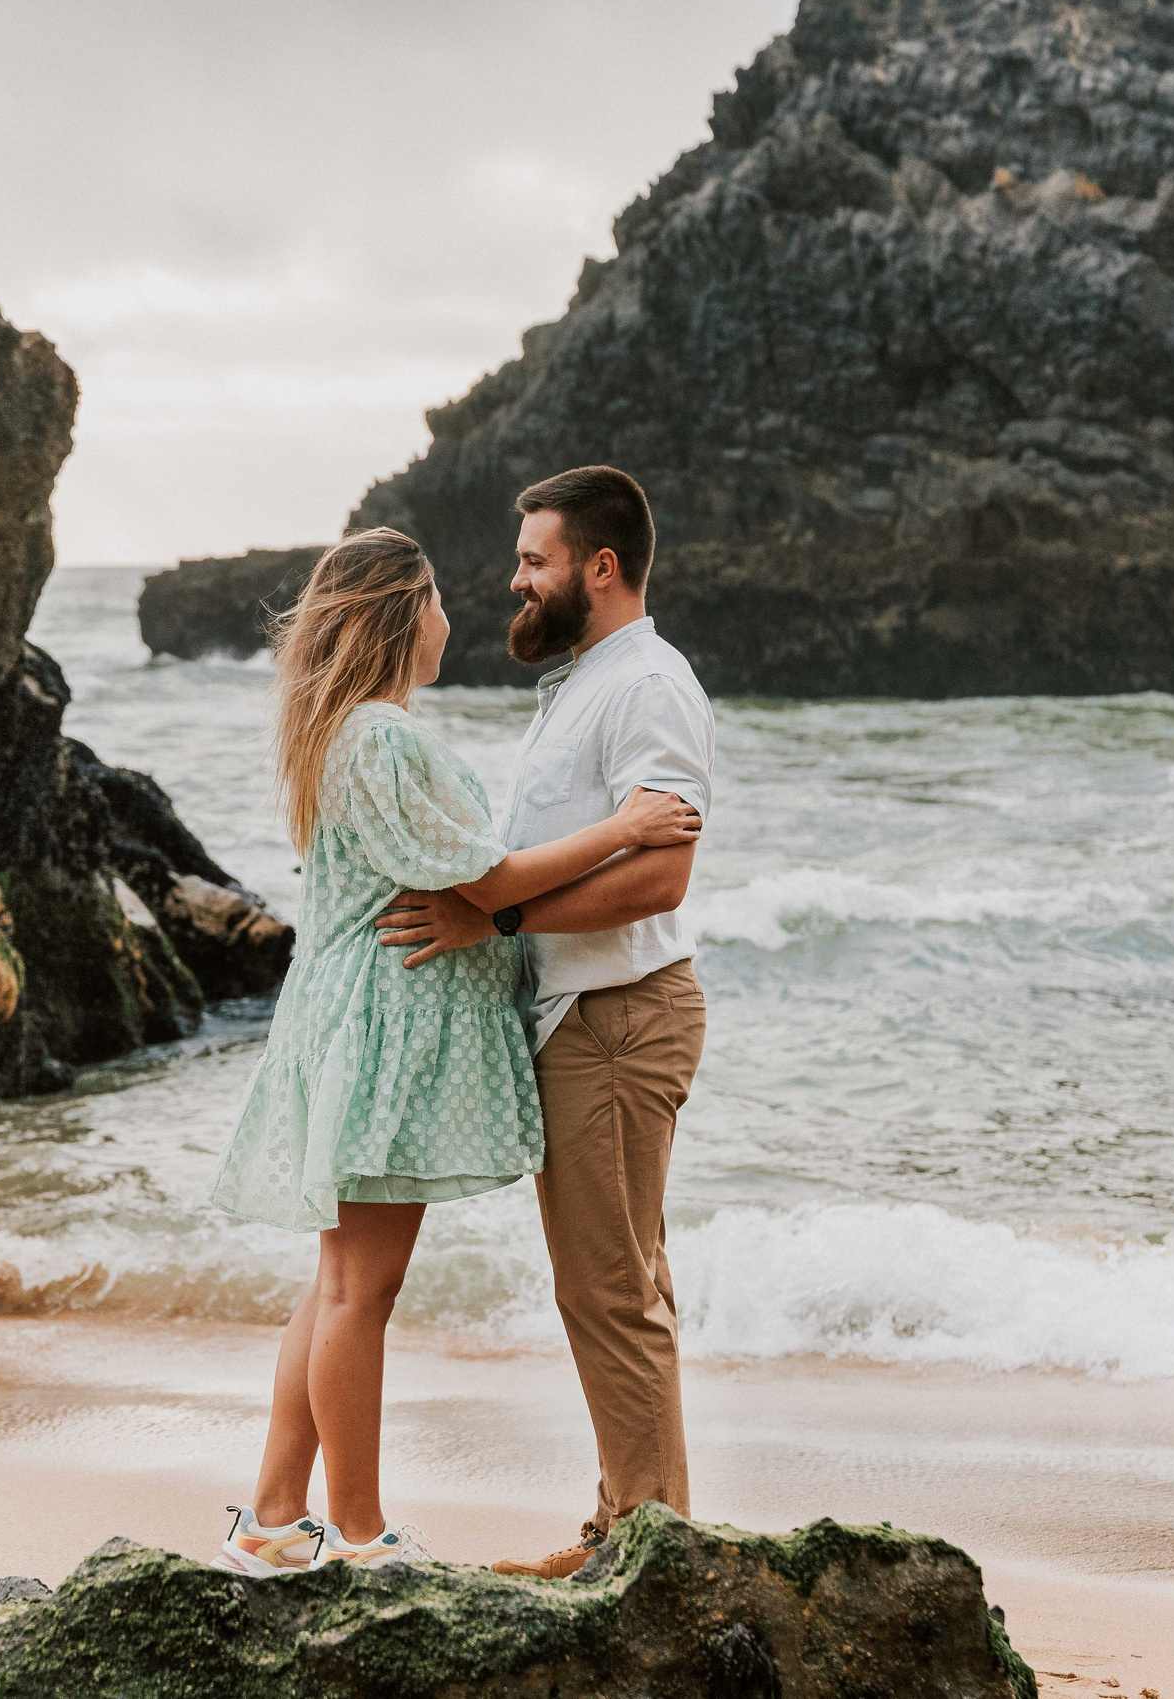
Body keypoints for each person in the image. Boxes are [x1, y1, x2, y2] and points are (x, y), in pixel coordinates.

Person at [207, 525, 701, 1575]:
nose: (452, 618)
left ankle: (270, 1513)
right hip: (386, 1031)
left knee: (335, 1282)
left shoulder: (350, 732)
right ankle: (357, 1530)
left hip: (360, 1021)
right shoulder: (380, 737)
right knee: (358, 1293)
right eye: (434, 603)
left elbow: (471, 880)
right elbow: (482, 878)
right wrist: (625, 827)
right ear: (400, 618)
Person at [374, 465, 715, 1580]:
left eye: (534, 560)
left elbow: (661, 877)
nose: (514, 579)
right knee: (607, 1283)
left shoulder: (648, 685)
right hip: (586, 1014)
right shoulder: (584, 682)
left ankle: (648, 1553)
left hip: (618, 1014)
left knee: (610, 1289)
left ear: (599, 568)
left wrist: (498, 916)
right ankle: (627, 1528)